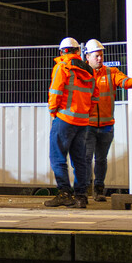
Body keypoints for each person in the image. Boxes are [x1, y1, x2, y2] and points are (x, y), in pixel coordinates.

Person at [83, 39, 132, 200]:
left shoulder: (111, 72)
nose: (100, 58)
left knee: (100, 159)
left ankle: (98, 190)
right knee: (86, 159)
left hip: (106, 125)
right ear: (88, 57)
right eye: (96, 56)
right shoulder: (83, 74)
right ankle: (84, 190)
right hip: (88, 125)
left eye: (101, 55)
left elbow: (127, 82)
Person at [46, 36, 97, 208]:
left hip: (64, 119)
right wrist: (85, 113)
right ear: (78, 52)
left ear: (62, 52)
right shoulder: (89, 71)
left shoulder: (62, 66)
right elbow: (94, 97)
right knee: (80, 160)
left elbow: (55, 91)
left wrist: (53, 111)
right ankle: (81, 196)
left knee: (57, 157)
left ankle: (64, 194)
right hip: (82, 122)